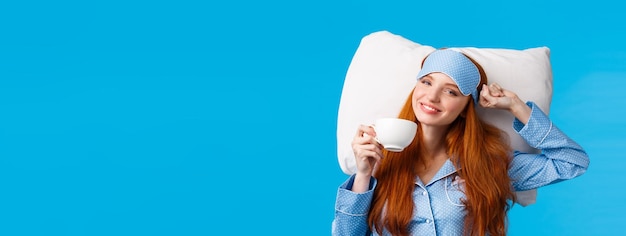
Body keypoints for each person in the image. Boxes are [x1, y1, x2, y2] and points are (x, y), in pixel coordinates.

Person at [332, 49, 589, 236]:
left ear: (467, 107)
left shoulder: (488, 163)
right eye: (427, 82)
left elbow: (572, 161)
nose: (431, 96)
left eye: (451, 91)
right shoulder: (380, 161)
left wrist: (516, 106)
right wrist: (363, 175)